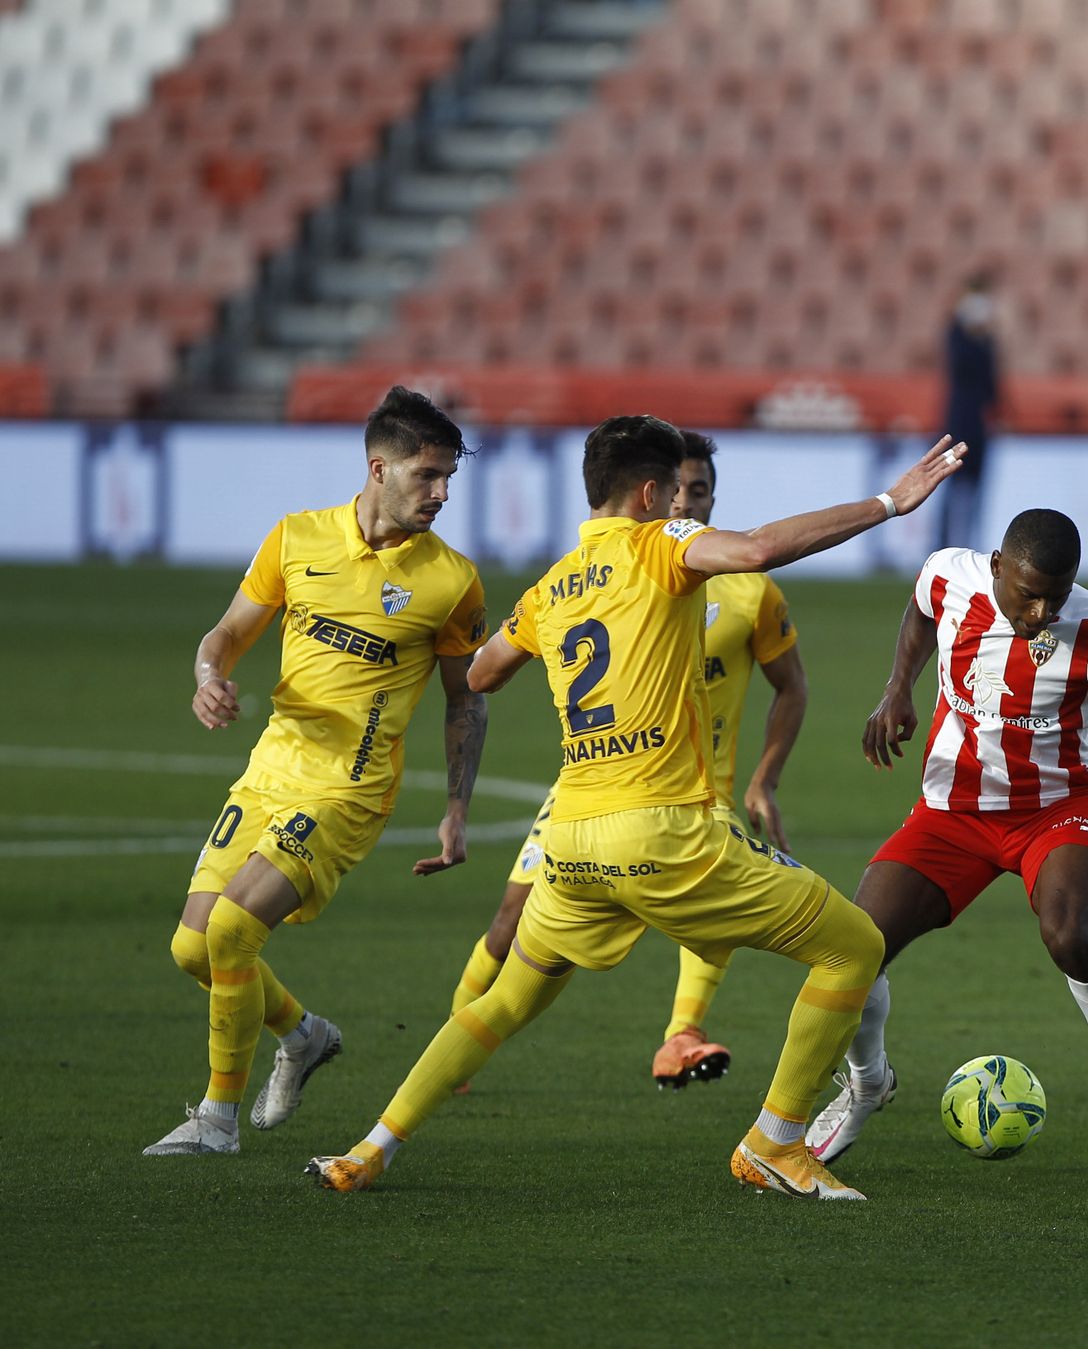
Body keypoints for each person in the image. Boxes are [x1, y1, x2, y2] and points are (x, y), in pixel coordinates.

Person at [307, 416, 965, 1201]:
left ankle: (370, 1148)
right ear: (652, 494)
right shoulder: (662, 545)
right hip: (663, 832)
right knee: (854, 945)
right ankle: (776, 1142)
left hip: (571, 842)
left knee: (508, 997)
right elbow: (758, 548)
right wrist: (889, 502)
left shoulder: (553, 583)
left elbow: (480, 673)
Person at [805, 508, 1088, 1180]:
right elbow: (921, 608)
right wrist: (898, 688)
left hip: (1057, 811)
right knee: (854, 947)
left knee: (1071, 936)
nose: (1042, 612)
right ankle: (868, 1083)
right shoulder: (951, 575)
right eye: (1029, 594)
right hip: (952, 811)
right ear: (997, 566)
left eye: (1057, 596)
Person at [143, 386, 490, 1157]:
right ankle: (303, 1036)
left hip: (349, 790)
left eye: (448, 478)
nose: (442, 492)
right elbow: (227, 632)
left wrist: (456, 807)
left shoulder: (451, 580)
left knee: (233, 929)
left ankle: (217, 1119)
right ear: (379, 468)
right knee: (193, 949)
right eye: (428, 474)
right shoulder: (297, 538)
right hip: (271, 769)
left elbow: (466, 700)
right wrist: (208, 675)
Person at [446, 431, 810, 1090]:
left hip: (698, 787)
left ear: (712, 499)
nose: (685, 501)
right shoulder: (619, 573)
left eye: (698, 491)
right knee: (510, 922)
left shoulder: (751, 593)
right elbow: (487, 670)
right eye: (677, 489)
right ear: (653, 494)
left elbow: (792, 686)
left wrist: (766, 777)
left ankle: (682, 1035)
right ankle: (456, 1039)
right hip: (596, 787)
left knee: (710, 925)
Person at [938, 273, 1002, 550]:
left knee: (975, 492)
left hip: (980, 428)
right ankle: (946, 546)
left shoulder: (987, 341)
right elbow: (961, 365)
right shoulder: (958, 337)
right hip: (959, 425)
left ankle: (970, 546)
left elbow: (991, 386)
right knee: (953, 489)